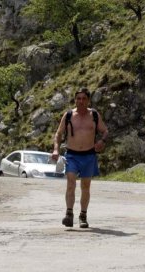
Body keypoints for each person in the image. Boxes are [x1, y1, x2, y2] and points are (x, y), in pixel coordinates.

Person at [52, 87, 108, 228]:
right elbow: (58, 134)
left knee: (85, 186)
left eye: (84, 98)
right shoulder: (69, 115)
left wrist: (102, 141)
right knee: (71, 183)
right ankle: (69, 214)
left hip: (89, 155)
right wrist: (56, 149)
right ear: (75, 100)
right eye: (78, 98)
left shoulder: (94, 115)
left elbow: (105, 130)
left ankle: (83, 215)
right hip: (72, 154)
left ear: (88, 100)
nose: (81, 101)